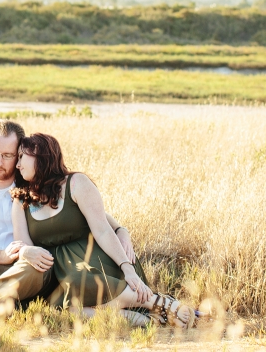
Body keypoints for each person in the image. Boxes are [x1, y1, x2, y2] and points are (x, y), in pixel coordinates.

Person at [0, 119, 138, 316]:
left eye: (8, 156)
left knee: (32, 265)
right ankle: (5, 304)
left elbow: (86, 212)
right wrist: (2, 255)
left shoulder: (33, 185)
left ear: (21, 154)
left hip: (28, 270)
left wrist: (121, 230)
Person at [11, 133, 197, 328]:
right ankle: (146, 320)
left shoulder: (76, 183)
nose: (17, 164)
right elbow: (24, 245)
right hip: (59, 274)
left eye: (22, 157)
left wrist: (128, 269)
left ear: (40, 156)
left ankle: (157, 302)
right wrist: (27, 255)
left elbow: (103, 230)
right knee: (63, 310)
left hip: (95, 262)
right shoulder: (20, 200)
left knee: (77, 280)